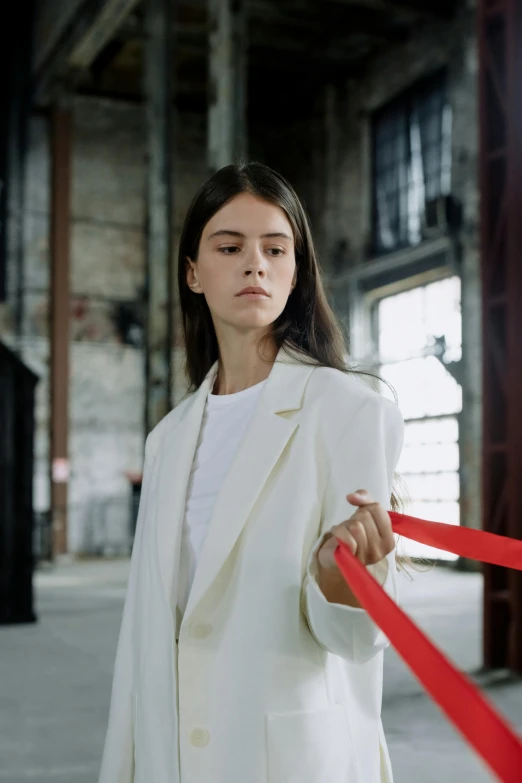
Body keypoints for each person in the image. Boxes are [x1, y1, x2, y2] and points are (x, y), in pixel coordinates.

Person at [98, 162, 404, 783]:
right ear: (193, 272)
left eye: (275, 248)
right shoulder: (168, 441)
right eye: (229, 246)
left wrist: (340, 581)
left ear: (295, 273)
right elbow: (143, 636)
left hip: (288, 760)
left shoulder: (347, 411)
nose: (254, 264)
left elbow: (358, 640)